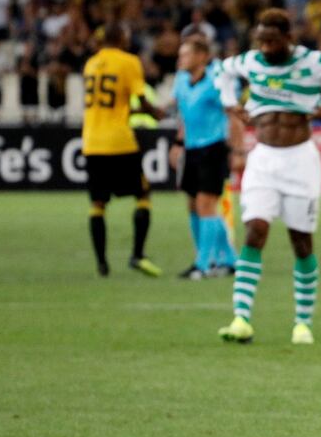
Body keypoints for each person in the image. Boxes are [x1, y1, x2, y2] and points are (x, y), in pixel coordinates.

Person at [215, 8, 321, 345]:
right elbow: (222, 72)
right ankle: (241, 318)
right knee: (255, 231)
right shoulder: (251, 61)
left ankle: (302, 323)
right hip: (262, 159)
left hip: (300, 161)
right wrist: (231, 104)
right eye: (260, 41)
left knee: (301, 243)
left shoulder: (310, 61)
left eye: (272, 41)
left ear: (288, 39)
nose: (265, 48)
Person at [82, 23, 165, 277]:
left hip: (92, 141)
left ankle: (102, 264)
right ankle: (137, 255)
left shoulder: (91, 64)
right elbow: (140, 98)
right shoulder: (129, 61)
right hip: (120, 141)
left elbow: (115, 106)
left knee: (98, 203)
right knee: (143, 196)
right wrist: (156, 113)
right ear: (120, 37)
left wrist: (138, 112)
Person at [170, 35, 243, 280]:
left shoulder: (217, 80)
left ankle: (203, 264)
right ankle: (231, 259)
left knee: (206, 204)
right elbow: (183, 114)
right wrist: (178, 143)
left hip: (213, 148)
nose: (181, 59)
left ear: (202, 56)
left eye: (186, 55)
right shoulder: (181, 81)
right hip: (192, 149)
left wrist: (237, 150)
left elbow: (233, 115)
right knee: (194, 205)